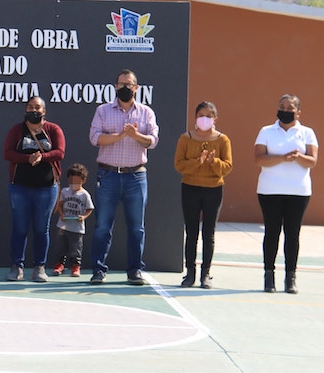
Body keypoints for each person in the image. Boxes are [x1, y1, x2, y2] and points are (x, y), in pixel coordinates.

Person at [88, 69, 159, 286]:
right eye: (121, 84)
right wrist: (120, 136)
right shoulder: (103, 111)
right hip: (108, 174)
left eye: (129, 84)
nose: (125, 88)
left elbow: (153, 141)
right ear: (115, 87)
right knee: (102, 226)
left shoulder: (146, 113)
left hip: (135, 177)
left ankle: (135, 270)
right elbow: (94, 138)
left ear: (137, 88)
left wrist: (136, 135)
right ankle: (98, 270)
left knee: (137, 227)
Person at [254, 94, 318, 294]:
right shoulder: (266, 131)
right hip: (269, 190)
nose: (285, 110)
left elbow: (312, 161)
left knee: (292, 234)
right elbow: (260, 159)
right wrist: (282, 157)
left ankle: (291, 277)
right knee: (271, 233)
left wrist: (298, 157)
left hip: (298, 192)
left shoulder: (307, 133)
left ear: (298, 112)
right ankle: (269, 276)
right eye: (282, 106)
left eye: (290, 108)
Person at [3, 96, 65, 282]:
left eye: (37, 107)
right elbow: (7, 153)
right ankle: (17, 267)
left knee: (41, 229)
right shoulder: (17, 130)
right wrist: (27, 159)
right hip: (20, 188)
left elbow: (60, 152)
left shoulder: (53, 129)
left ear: (44, 111)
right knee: (20, 228)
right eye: (30, 107)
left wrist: (42, 157)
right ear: (25, 110)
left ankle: (39, 267)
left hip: (46, 189)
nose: (34, 110)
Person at [173, 101, 233, 289]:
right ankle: (189, 273)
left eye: (209, 116)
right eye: (201, 115)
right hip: (190, 188)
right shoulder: (185, 138)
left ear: (215, 118)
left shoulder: (223, 140)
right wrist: (197, 162)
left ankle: (205, 274)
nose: (204, 119)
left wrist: (213, 161)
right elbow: (179, 165)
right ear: (195, 117)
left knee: (209, 233)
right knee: (191, 233)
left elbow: (227, 166)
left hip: (213, 190)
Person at [50, 163, 93, 278]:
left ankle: (75, 267)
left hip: (77, 228)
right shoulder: (64, 191)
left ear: (83, 180)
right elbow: (59, 205)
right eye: (72, 182)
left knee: (75, 249)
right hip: (62, 226)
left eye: (77, 182)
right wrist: (61, 214)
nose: (74, 185)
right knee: (60, 247)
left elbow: (89, 209)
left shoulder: (85, 195)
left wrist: (83, 217)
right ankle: (59, 265)